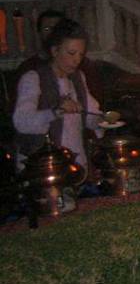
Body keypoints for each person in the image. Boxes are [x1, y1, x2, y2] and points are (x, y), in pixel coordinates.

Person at [13, 18, 103, 171]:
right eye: (71, 53)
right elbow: (21, 122)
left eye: (81, 54)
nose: (77, 60)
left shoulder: (78, 78)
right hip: (42, 166)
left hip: (75, 162)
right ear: (55, 51)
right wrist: (55, 111)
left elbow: (90, 115)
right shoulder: (33, 78)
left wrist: (103, 120)